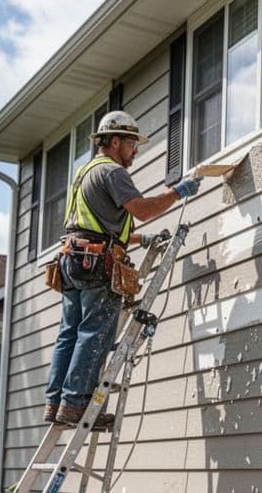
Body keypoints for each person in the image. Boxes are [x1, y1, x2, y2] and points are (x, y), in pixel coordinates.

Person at [45, 110, 201, 429]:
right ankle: (75, 405)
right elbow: (142, 210)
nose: (135, 150)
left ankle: (56, 402)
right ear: (115, 141)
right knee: (95, 331)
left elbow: (96, 224)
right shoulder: (113, 173)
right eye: (132, 143)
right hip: (95, 262)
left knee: (69, 332)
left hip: (72, 259)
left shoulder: (85, 173)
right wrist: (178, 192)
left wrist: (141, 240)